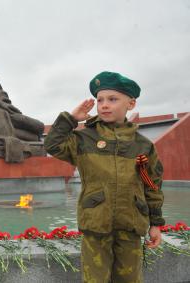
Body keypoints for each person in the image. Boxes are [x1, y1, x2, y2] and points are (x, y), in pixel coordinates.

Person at [44, 71, 164, 282]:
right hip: (96, 224)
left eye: (113, 99)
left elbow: (151, 185)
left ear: (131, 104)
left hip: (131, 224)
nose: (104, 105)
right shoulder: (84, 139)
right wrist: (71, 119)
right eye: (100, 100)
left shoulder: (143, 145)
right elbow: (52, 145)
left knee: (130, 279)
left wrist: (155, 223)